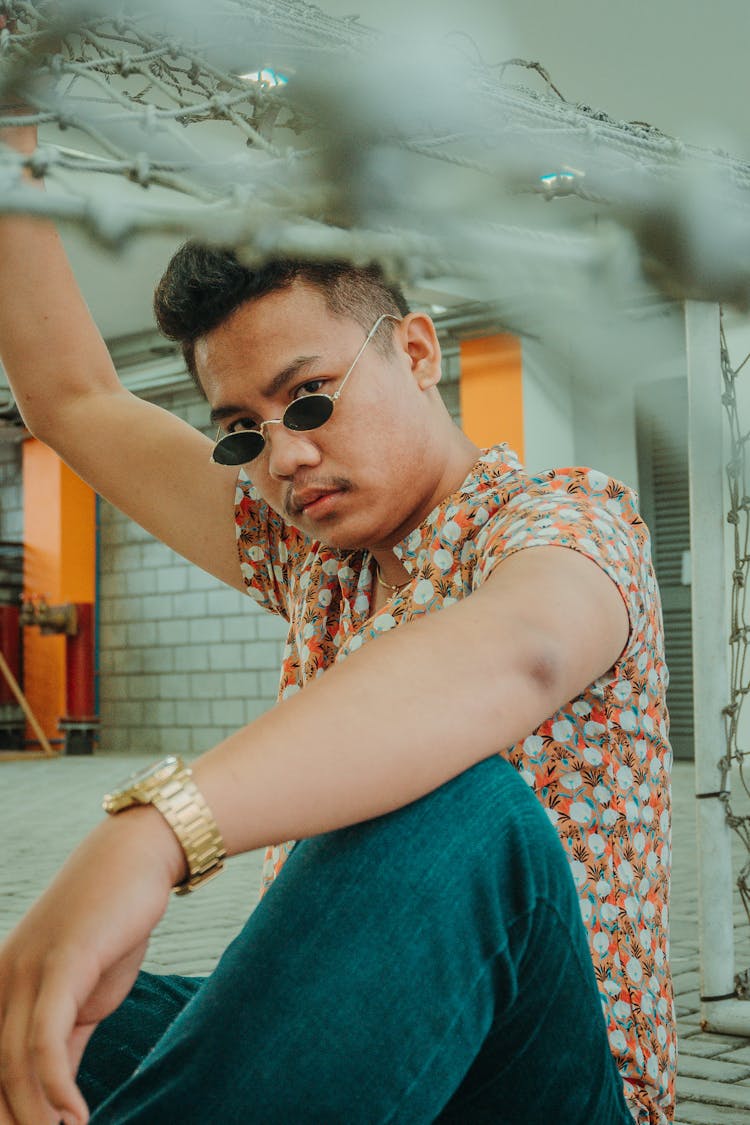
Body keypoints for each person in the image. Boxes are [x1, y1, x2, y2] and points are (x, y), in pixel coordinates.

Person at [0, 105, 674, 1125]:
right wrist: (8, 140)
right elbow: (72, 396)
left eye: (310, 398)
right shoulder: (311, 554)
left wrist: (157, 832)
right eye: (243, 434)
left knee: (460, 805)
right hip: (385, 1040)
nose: (287, 458)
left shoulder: (565, 520)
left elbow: (522, 652)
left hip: (542, 1079)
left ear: (414, 352)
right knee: (24, 1005)